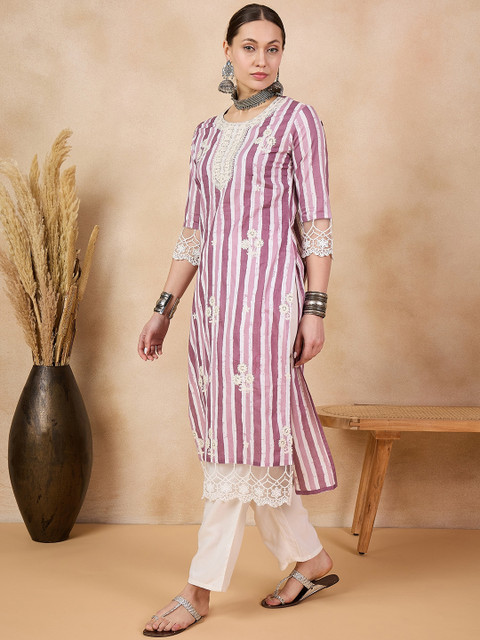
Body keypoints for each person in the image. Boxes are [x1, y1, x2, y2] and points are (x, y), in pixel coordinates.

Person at [138, 4, 338, 636]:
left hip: (269, 304)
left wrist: (314, 309)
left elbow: (316, 224)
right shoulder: (206, 134)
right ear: (227, 51)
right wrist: (164, 307)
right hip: (215, 310)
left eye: (273, 48)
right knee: (248, 441)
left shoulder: (298, 120)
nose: (261, 59)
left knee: (238, 441)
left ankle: (197, 591)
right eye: (249, 46)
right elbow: (194, 232)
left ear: (282, 54)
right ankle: (311, 559)